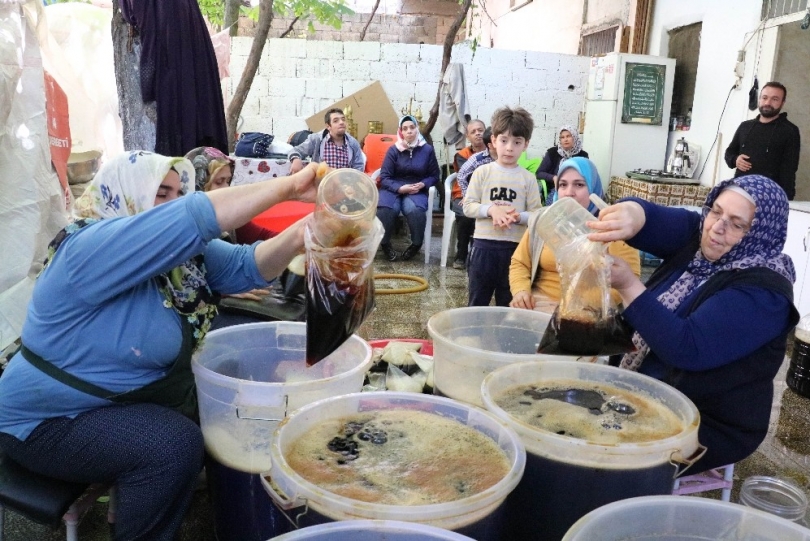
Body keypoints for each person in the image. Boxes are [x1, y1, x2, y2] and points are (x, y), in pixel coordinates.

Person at [0, 151, 321, 540]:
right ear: (125, 194)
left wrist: (308, 228)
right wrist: (289, 186)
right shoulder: (87, 251)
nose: (171, 205)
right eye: (160, 194)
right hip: (44, 421)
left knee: (234, 397)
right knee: (172, 444)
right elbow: (194, 216)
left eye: (177, 193)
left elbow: (245, 266)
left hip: (115, 404)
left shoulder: (180, 261)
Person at [588, 175, 799, 473]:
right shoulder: (701, 238)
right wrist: (632, 213)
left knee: (594, 461)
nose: (717, 227)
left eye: (737, 224)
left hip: (704, 419)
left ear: (760, 233)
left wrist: (627, 285)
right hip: (643, 388)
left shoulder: (764, 293)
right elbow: (649, 219)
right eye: (716, 210)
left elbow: (687, 347)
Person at [509, 157, 640, 312]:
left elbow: (629, 283)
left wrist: (570, 307)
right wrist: (521, 292)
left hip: (589, 313)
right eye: (563, 185)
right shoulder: (544, 221)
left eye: (579, 185)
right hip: (537, 305)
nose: (569, 193)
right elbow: (520, 263)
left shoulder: (613, 228)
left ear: (593, 189)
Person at [463, 106, 543, 307]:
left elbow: (537, 214)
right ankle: (474, 337)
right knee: (477, 302)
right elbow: (468, 206)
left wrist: (519, 217)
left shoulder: (528, 178)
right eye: (504, 141)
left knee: (508, 306)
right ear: (493, 142)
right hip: (483, 247)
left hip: (515, 250)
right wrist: (491, 210)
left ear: (525, 144)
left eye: (517, 142)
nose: (509, 148)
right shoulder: (482, 172)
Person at [376, 115, 441, 262]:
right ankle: (385, 243)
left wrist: (423, 184)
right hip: (393, 188)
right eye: (405, 129)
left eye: (412, 127)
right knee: (386, 208)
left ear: (417, 129)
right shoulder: (393, 150)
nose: (409, 131)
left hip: (415, 188)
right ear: (401, 132)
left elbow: (435, 175)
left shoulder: (427, 150)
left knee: (415, 210)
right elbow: (384, 177)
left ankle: (416, 244)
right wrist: (399, 188)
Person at [724, 82, 801, 200]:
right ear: (759, 99)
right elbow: (729, 153)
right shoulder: (745, 126)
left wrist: (787, 200)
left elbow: (789, 170)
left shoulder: (790, 131)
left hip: (769, 198)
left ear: (782, 103)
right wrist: (735, 160)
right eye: (764, 98)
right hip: (739, 192)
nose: (767, 103)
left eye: (775, 99)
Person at [185, 146, 277, 244]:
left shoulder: (229, 215)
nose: (226, 188)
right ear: (198, 183)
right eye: (219, 182)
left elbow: (263, 236)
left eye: (228, 181)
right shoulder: (187, 229)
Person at [450, 119, 486, 270]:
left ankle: (480, 256)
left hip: (486, 196)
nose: (478, 133)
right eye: (473, 132)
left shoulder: (495, 152)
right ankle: (461, 255)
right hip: (463, 195)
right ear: (468, 137)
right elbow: (469, 178)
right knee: (466, 215)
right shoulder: (462, 155)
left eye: (480, 130)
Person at [288, 108, 364, 173]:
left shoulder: (353, 143)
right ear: (328, 126)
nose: (341, 122)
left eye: (343, 119)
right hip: (321, 185)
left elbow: (359, 167)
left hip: (344, 187)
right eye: (336, 121)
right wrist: (296, 160)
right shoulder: (316, 140)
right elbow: (295, 151)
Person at [536, 125, 589, 200]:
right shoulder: (552, 153)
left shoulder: (583, 155)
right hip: (555, 189)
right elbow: (539, 173)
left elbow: (586, 176)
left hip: (576, 189)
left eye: (568, 136)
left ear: (575, 137)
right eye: (562, 137)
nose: (565, 139)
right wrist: (554, 178)